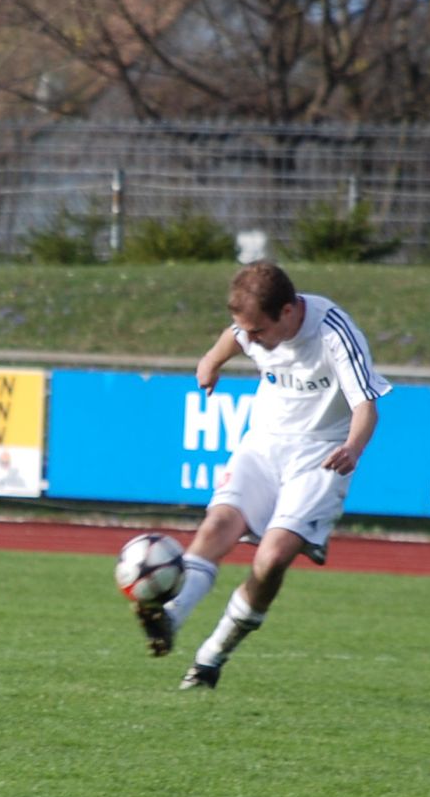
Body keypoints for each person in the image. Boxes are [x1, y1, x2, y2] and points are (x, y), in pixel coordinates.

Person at [134, 261, 391, 690]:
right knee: (216, 526)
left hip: (320, 456)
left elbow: (366, 406)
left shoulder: (334, 333)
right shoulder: (253, 327)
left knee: (270, 560)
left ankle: (210, 658)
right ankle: (170, 619)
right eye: (247, 331)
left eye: (258, 332)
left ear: (288, 312)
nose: (251, 340)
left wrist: (353, 448)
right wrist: (211, 361)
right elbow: (233, 336)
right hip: (263, 444)